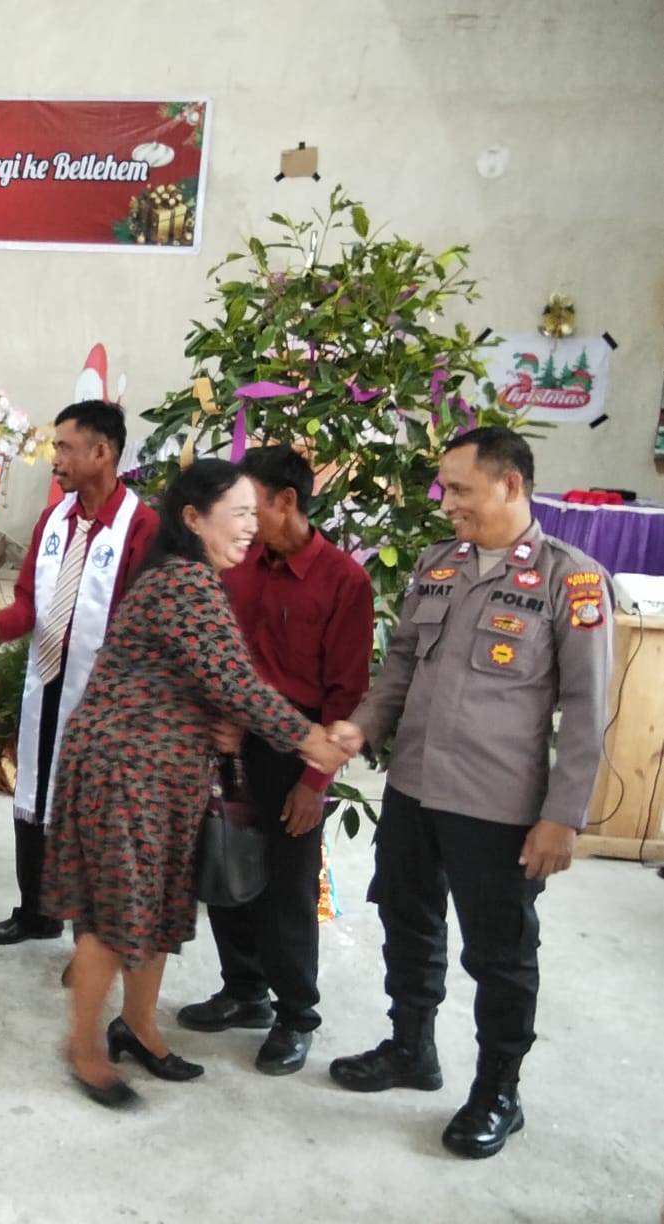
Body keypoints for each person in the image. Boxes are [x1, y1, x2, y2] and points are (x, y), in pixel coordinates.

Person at [327, 427, 612, 1159]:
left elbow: (587, 710)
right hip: (414, 785)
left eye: (459, 488)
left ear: (509, 485)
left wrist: (562, 817)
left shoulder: (570, 580)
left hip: (497, 804)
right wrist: (361, 727)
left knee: (499, 953)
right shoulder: (437, 565)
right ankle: (410, 1048)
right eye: (444, 488)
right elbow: (399, 668)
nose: (445, 502)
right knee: (406, 917)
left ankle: (498, 1092)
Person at [44, 459, 349, 1107]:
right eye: (237, 514)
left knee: (154, 906)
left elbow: (217, 684)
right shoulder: (184, 582)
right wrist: (311, 740)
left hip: (165, 774)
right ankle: (84, 1049)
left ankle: (139, 1027)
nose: (249, 527)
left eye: (252, 513)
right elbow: (234, 683)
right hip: (124, 769)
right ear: (193, 519)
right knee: (112, 914)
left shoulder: (196, 577)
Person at [177, 445, 374, 1075]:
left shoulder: (343, 581)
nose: (240, 518)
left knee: (288, 889)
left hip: (294, 750)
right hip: (226, 740)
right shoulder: (235, 564)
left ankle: (295, 1015)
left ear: (287, 501)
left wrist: (315, 782)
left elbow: (345, 693)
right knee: (224, 860)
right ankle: (244, 991)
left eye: (250, 505)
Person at [0, 401, 158, 946]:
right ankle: (36, 911)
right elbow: (28, 601)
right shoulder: (54, 520)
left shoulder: (141, 527)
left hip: (102, 698)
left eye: (65, 447)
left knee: (88, 811)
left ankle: (90, 939)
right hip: (46, 680)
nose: (54, 458)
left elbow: (143, 622)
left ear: (102, 452)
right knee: (33, 792)